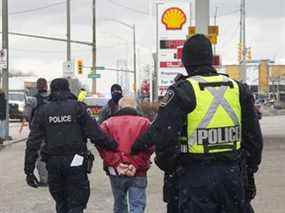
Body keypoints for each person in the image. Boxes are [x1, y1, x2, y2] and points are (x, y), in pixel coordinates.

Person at [131, 34, 263, 213]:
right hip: (232, 176)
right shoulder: (237, 89)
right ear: (210, 59)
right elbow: (254, 139)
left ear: (186, 61)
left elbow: (164, 136)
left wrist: (172, 166)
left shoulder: (182, 91)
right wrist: (248, 169)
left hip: (194, 179)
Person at [24, 78, 117, 213]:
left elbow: (33, 142)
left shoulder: (43, 111)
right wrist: (114, 146)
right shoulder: (78, 108)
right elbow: (96, 133)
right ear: (68, 89)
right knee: (76, 203)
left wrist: (29, 170)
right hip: (76, 161)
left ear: (52, 90)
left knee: (61, 202)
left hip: (53, 163)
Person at [98, 96, 153, 213]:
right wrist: (136, 163)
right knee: (137, 205)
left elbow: (101, 145)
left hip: (115, 170)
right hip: (138, 171)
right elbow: (150, 147)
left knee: (119, 204)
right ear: (136, 107)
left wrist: (116, 163)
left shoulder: (108, 124)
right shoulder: (145, 123)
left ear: (119, 107)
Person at [24, 78, 49, 186]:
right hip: (53, 132)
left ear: (37, 87)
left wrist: (33, 123)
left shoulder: (32, 100)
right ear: (46, 86)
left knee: (40, 155)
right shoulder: (52, 99)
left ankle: (44, 179)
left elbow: (26, 115)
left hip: (38, 133)